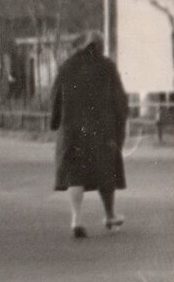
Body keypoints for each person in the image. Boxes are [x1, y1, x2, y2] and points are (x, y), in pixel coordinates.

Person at [50, 30, 128, 238]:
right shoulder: (107, 67)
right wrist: (121, 124)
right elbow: (120, 99)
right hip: (101, 131)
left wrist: (55, 121)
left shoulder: (66, 67)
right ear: (98, 46)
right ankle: (110, 216)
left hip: (72, 131)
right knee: (106, 173)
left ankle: (76, 219)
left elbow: (56, 96)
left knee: (75, 175)